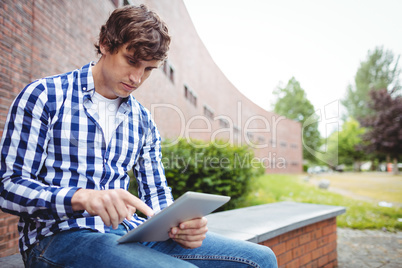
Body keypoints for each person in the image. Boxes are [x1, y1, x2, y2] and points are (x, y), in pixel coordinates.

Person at [0, 4, 277, 267]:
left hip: (129, 234)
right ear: (106, 44)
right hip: (58, 238)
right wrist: (81, 198)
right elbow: (8, 186)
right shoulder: (45, 96)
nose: (136, 77)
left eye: (148, 69)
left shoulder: (142, 119)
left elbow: (156, 194)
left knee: (260, 260)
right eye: (131, 61)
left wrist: (181, 225)